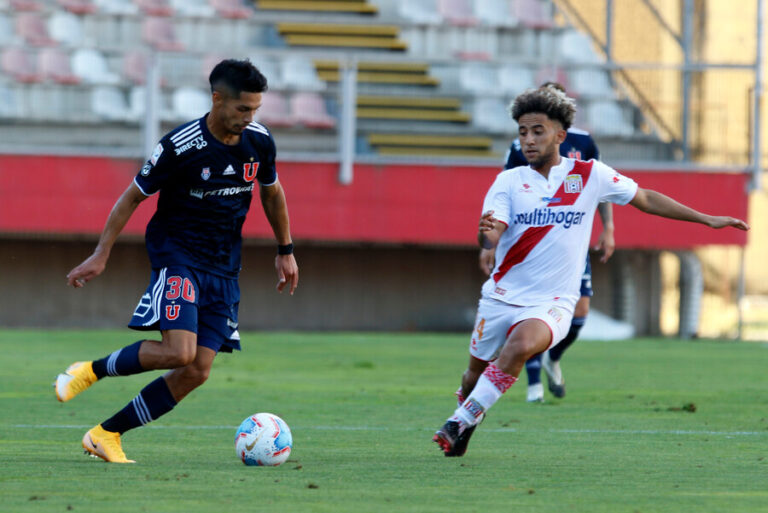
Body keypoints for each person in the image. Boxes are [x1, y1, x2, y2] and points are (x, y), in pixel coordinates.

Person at [433, 85, 748, 457]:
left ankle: (457, 421)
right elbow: (492, 233)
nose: (528, 141)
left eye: (537, 131)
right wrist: (486, 236)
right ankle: (469, 417)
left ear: (560, 136)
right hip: (502, 296)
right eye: (522, 133)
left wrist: (705, 219)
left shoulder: (588, 175)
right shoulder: (509, 181)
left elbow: (645, 198)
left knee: (519, 347)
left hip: (554, 301)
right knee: (474, 376)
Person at [55, 59, 299, 463]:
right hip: (178, 255)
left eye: (256, 109)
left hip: (224, 266)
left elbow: (272, 193)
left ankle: (106, 434)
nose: (249, 117)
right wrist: (102, 252)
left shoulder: (260, 141)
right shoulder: (180, 146)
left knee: (197, 370)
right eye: (242, 109)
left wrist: (285, 250)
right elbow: (133, 196)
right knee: (180, 352)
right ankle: (90, 370)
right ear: (217, 99)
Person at [482, 82, 614, 402]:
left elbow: (603, 186)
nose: (530, 137)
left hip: (569, 238)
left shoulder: (583, 142)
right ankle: (533, 386)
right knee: (529, 314)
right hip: (531, 243)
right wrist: (495, 242)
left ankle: (553, 358)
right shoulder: (520, 147)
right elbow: (507, 195)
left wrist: (607, 227)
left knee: (580, 310)